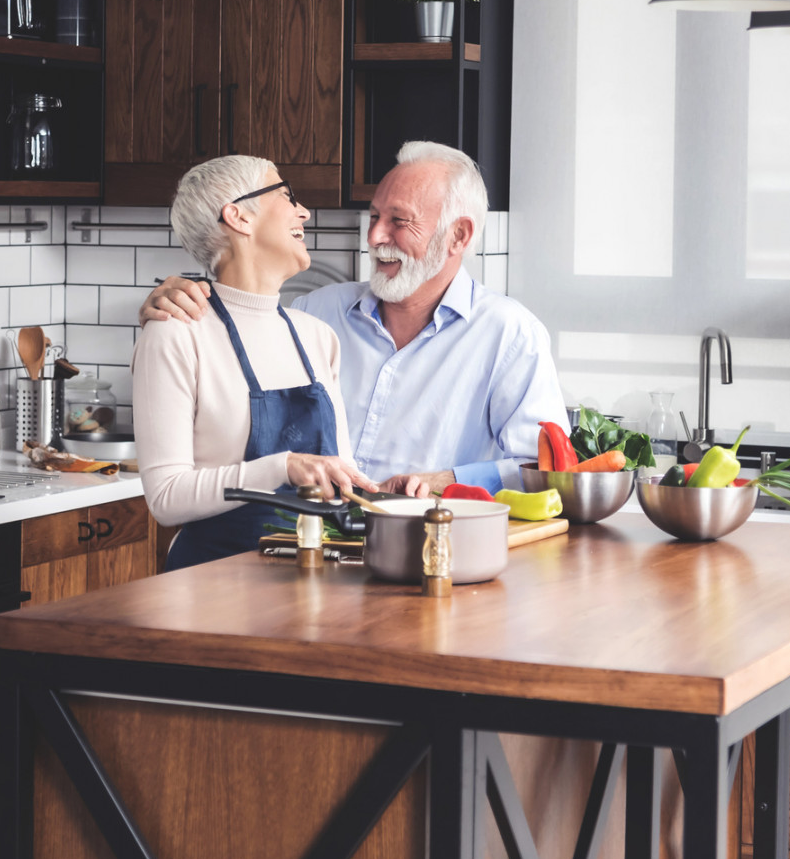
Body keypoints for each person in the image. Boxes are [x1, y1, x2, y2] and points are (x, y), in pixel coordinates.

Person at [143, 141, 565, 494]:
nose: (376, 237)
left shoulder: (509, 335)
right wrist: (178, 303)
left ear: (459, 235)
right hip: (310, 552)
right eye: (375, 217)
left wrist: (446, 481)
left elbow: (546, 469)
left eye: (399, 221)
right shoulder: (314, 313)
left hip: (430, 551)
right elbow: (233, 332)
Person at [133, 155, 423, 572]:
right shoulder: (175, 331)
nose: (303, 211)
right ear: (238, 217)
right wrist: (283, 467)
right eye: (287, 196)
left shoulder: (315, 335)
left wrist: (376, 492)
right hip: (211, 586)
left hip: (313, 580)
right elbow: (166, 499)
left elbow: (334, 474)